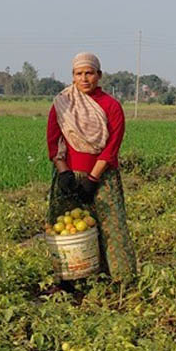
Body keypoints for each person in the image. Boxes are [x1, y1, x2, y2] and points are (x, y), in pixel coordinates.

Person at [46, 52, 136, 288]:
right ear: (73, 76)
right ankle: (68, 278)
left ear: (99, 75)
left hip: (103, 176)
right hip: (68, 176)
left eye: (89, 73)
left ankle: (118, 280)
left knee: (111, 228)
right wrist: (64, 172)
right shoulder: (62, 104)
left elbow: (111, 147)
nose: (84, 78)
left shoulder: (111, 106)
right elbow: (54, 141)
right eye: (79, 74)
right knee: (66, 229)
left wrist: (93, 178)